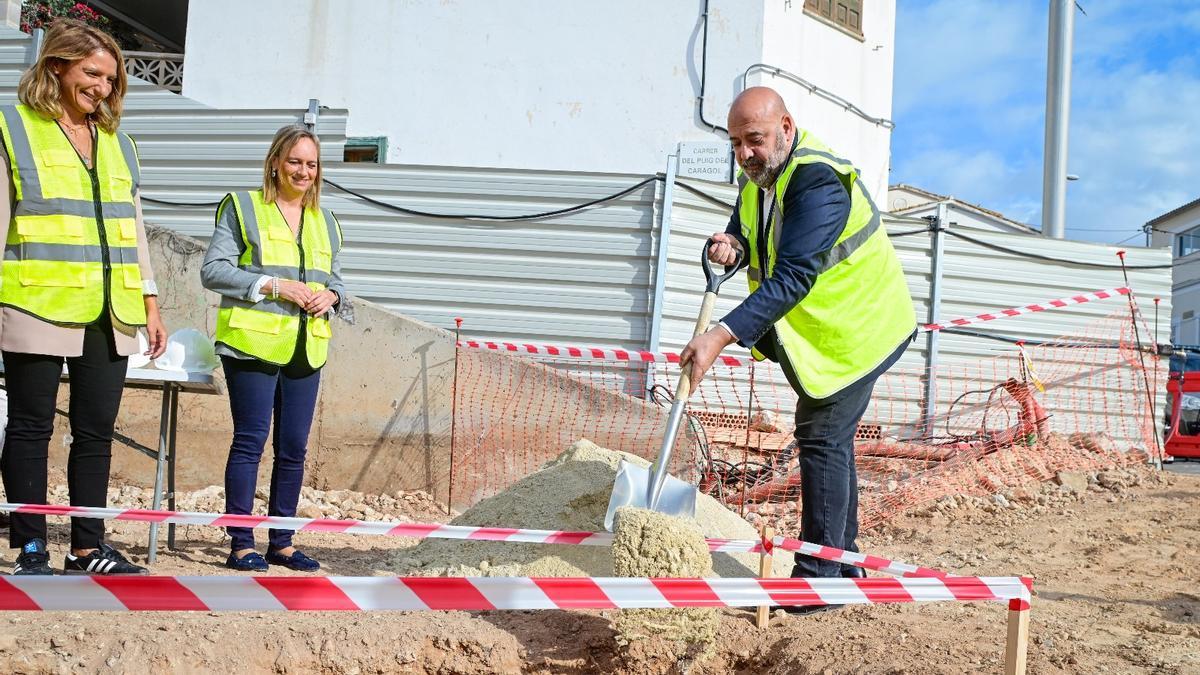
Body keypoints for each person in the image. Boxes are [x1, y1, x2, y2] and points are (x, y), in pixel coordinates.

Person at [680, 87, 915, 608]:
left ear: (786, 127)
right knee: (828, 439)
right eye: (737, 142)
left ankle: (818, 579)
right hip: (828, 335)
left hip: (861, 327)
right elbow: (753, 235)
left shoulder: (817, 182)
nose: (744, 154)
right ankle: (843, 565)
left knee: (822, 436)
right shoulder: (759, 180)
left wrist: (719, 336)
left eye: (755, 139)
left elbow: (793, 276)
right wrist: (732, 245)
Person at [0, 19, 167, 575]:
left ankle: (87, 548)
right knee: (31, 427)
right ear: (56, 67)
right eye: (91, 74)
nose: (102, 87)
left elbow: (133, 228)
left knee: (95, 432)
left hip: (109, 309)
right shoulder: (13, 128)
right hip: (34, 304)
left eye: (111, 80)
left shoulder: (119, 144)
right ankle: (29, 550)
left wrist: (149, 301)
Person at [200, 125, 345, 572]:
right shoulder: (242, 207)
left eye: (312, 164)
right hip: (251, 345)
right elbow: (213, 271)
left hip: (306, 349)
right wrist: (273, 285)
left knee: (294, 448)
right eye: (296, 161)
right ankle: (241, 542)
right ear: (276, 163)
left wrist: (333, 297)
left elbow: (336, 278)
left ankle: (281, 541)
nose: (304, 171)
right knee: (250, 442)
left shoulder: (326, 221)